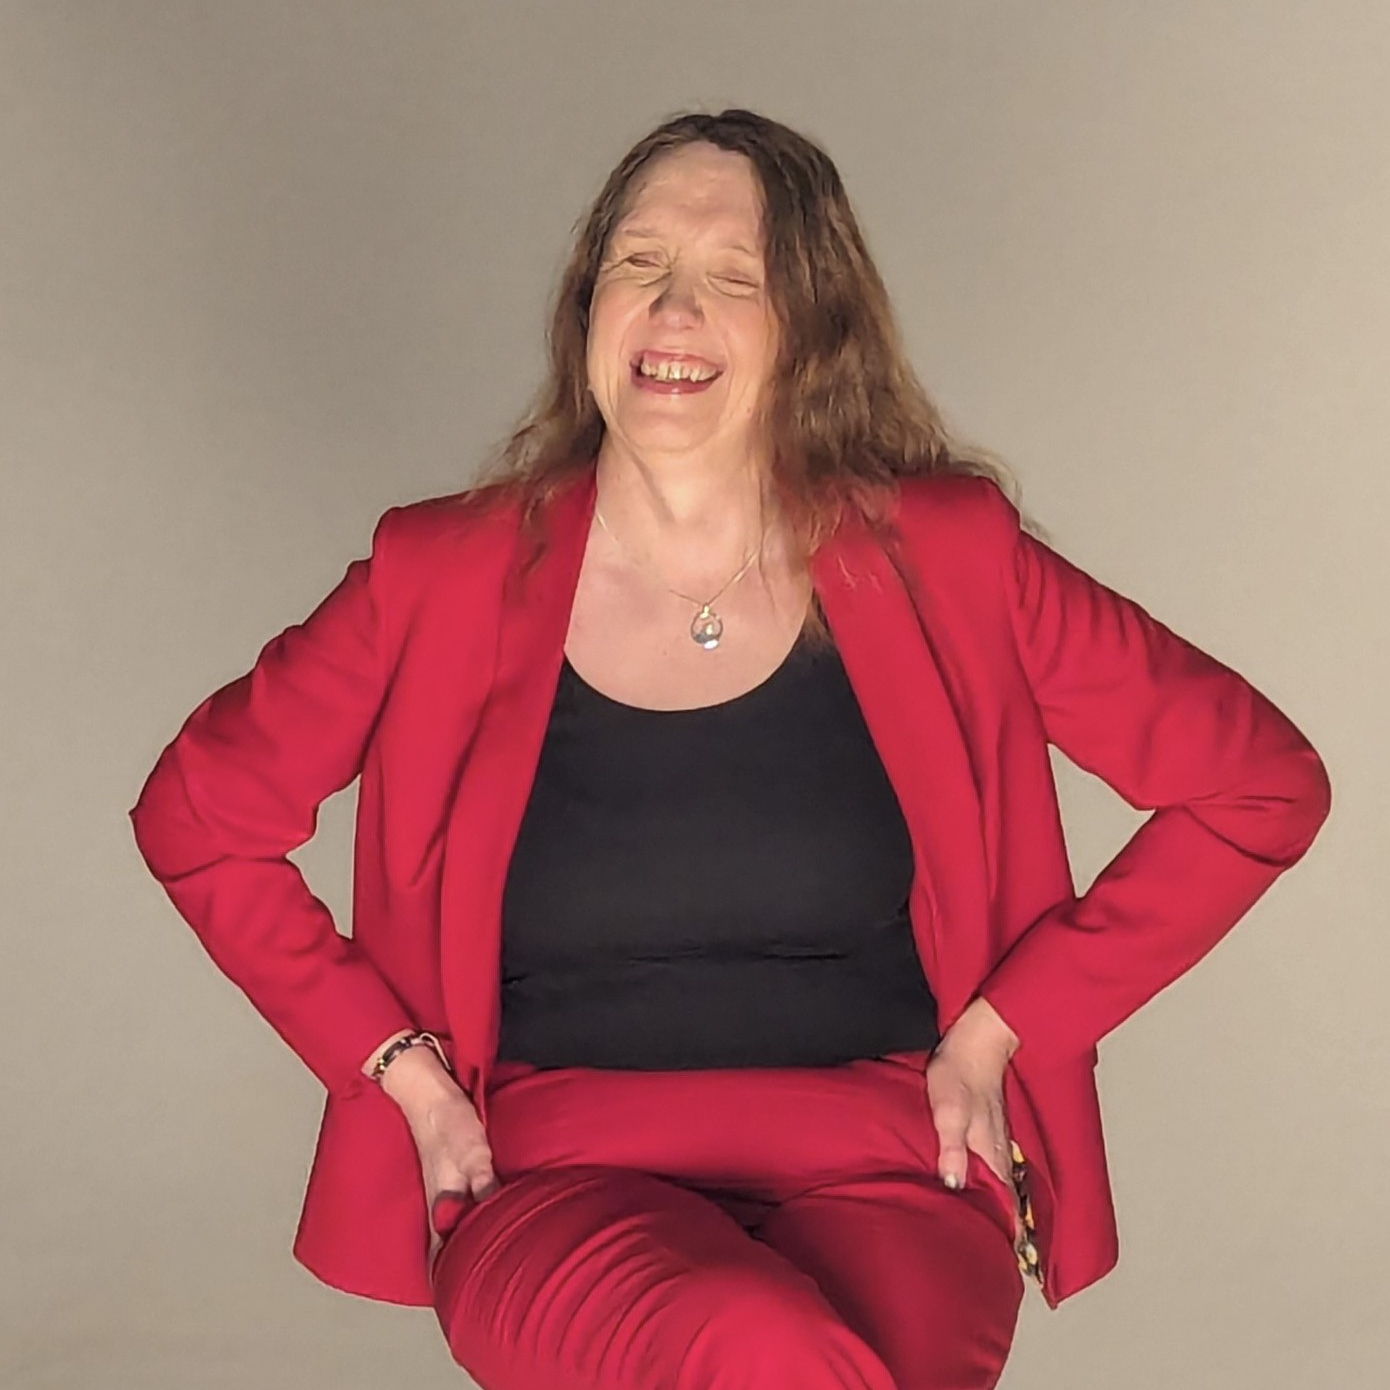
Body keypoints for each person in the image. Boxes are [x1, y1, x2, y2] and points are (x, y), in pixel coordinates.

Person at [129, 108, 1331, 1390]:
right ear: (588, 305)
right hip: (552, 1178)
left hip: (892, 1169)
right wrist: (400, 1073)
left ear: (807, 329)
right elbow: (199, 817)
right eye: (639, 263)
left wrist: (1007, 1027)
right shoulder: (441, 575)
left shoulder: (949, 560)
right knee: (757, 1351)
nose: (673, 307)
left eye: (732, 277)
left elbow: (1254, 785)